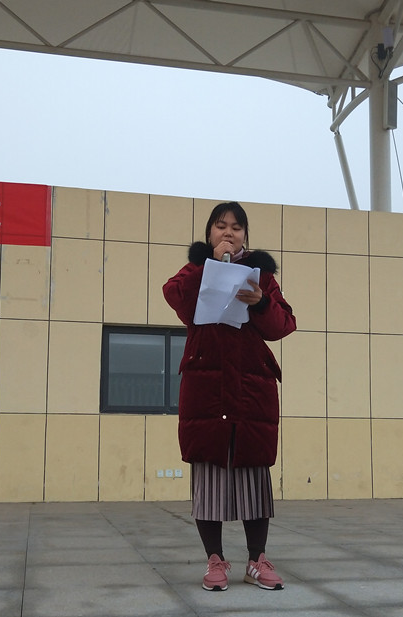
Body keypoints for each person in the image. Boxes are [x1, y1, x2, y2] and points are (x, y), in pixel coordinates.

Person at [163, 202, 296, 591]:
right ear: (209, 234)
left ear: (245, 236)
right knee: (209, 474)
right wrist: (206, 266)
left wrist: (262, 302)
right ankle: (215, 561)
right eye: (221, 226)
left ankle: (257, 560)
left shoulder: (261, 275)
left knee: (253, 474)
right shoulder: (196, 270)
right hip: (206, 389)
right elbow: (175, 297)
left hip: (251, 389)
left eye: (236, 228)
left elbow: (284, 324)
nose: (228, 233)